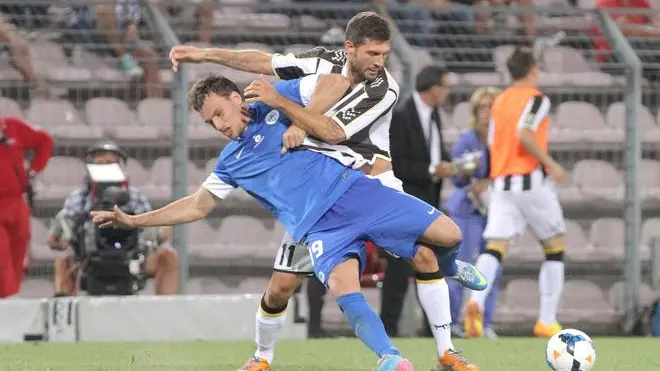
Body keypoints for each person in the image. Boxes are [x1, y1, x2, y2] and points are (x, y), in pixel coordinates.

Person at [91, 73, 485, 371]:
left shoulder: (273, 105)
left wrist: (297, 118)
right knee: (336, 290)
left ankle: (453, 269)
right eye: (210, 122)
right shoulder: (231, 162)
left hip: (355, 191)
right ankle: (390, 358)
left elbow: (335, 81)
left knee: (448, 235)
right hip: (318, 228)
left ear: (235, 97)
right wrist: (134, 220)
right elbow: (197, 206)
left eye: (219, 114)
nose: (219, 125)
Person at [169, 12, 481, 371]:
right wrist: (203, 54)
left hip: (369, 180)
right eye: (373, 54)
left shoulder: (384, 88)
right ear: (349, 48)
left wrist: (292, 115)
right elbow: (261, 61)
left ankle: (447, 351)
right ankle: (262, 357)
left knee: (427, 256)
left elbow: (332, 131)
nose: (381, 63)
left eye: (385, 54)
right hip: (319, 188)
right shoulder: (324, 62)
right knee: (282, 286)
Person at [463, 47, 567, 339]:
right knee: (555, 246)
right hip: (529, 181)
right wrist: (551, 165)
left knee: (495, 248)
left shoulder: (500, 101)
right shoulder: (537, 99)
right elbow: (525, 132)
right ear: (532, 70)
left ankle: (475, 301)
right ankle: (546, 319)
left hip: (501, 183)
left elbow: (494, 143)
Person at [46, 141, 179, 296]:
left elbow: (151, 231)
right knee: (63, 262)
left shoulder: (135, 197)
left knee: (168, 257)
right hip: (90, 260)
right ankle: (66, 313)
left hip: (130, 258)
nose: (105, 168)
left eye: (110, 164)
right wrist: (62, 239)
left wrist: (161, 231)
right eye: (100, 164)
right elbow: (54, 236)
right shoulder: (78, 199)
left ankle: (166, 312)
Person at [385, 64, 456, 339]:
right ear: (434, 88)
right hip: (406, 201)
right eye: (445, 87)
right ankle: (388, 327)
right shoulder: (402, 117)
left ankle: (433, 328)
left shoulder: (433, 114)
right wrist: (430, 170)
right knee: (399, 268)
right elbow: (397, 162)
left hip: (429, 199)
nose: (447, 93)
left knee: (429, 264)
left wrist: (448, 163)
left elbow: (433, 150)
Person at [445, 87, 502, 339]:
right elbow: (455, 173)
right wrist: (471, 182)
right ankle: (451, 323)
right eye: (482, 108)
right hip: (467, 209)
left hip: (496, 209)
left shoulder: (503, 140)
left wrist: (490, 182)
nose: (487, 113)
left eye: (492, 107)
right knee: (461, 266)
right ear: (475, 112)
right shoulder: (468, 139)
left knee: (493, 267)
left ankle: (483, 322)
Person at [0, 116, 54, 298]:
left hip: (17, 202)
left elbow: (45, 141)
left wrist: (34, 169)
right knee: (2, 257)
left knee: (19, 253)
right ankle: (8, 302)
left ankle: (11, 301)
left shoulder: (11, 126)